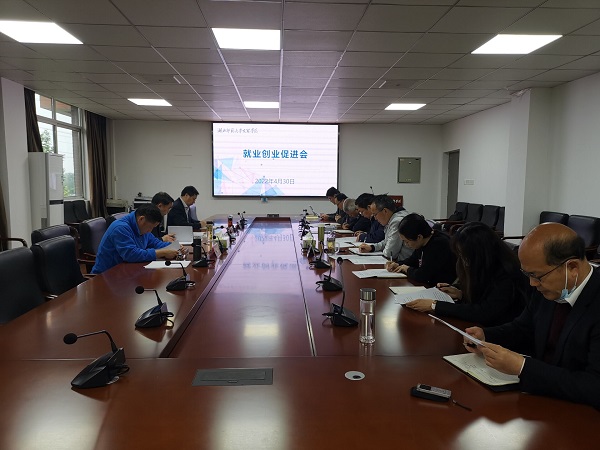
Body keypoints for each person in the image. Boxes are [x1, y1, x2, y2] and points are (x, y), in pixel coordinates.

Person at [464, 223, 600, 409]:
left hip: (579, 412)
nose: (532, 284)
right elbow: (523, 328)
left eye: (537, 276)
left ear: (573, 267)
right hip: (540, 398)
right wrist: (486, 336)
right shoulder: (551, 287)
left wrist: (522, 367)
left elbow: (594, 386)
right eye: (527, 274)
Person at [405, 222, 527, 325]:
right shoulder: (485, 266)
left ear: (480, 253)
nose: (465, 262)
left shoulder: (506, 274)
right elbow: (482, 298)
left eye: (465, 256)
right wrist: (460, 294)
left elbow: (484, 312)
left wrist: (435, 305)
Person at [91, 203, 180, 274]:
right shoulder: (120, 228)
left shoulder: (141, 227)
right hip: (106, 276)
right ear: (141, 219)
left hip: (127, 272)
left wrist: (174, 247)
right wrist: (162, 253)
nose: (150, 231)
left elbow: (155, 242)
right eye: (150, 227)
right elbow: (131, 254)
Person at [386, 213, 456, 286]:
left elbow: (423, 275)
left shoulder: (439, 244)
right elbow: (413, 260)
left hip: (442, 287)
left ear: (419, 237)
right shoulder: (423, 242)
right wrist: (398, 264)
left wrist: (407, 269)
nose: (406, 245)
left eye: (407, 241)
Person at [358, 194, 411, 260]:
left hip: (403, 263)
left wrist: (381, 250)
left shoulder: (397, 221)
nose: (375, 218)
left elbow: (390, 253)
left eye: (375, 214)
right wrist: (372, 247)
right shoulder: (392, 218)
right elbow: (387, 241)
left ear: (385, 211)